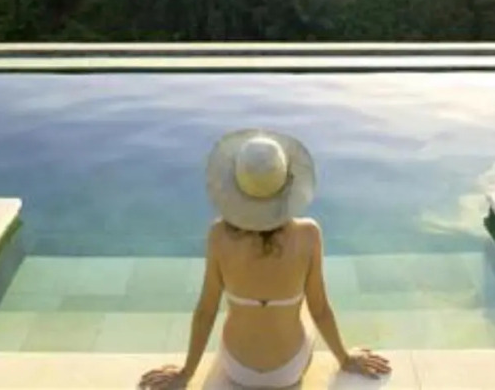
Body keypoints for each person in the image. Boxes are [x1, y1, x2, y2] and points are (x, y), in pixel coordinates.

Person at [139, 129, 391, 389]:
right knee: (304, 305)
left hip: (237, 370)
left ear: (235, 185)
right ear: (288, 183)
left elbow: (206, 311)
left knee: (238, 307)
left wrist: (186, 372)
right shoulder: (308, 234)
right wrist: (346, 359)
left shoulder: (218, 235)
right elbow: (321, 310)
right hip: (288, 372)